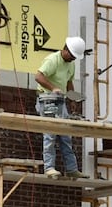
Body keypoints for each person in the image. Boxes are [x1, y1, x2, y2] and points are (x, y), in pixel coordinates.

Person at [34, 36, 88, 177]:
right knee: (50, 133)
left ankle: (71, 169)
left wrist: (72, 100)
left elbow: (69, 82)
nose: (73, 59)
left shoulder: (71, 64)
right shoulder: (53, 60)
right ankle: (49, 168)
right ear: (66, 49)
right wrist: (53, 88)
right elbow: (38, 76)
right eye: (72, 56)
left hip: (60, 101)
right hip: (47, 99)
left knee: (66, 135)